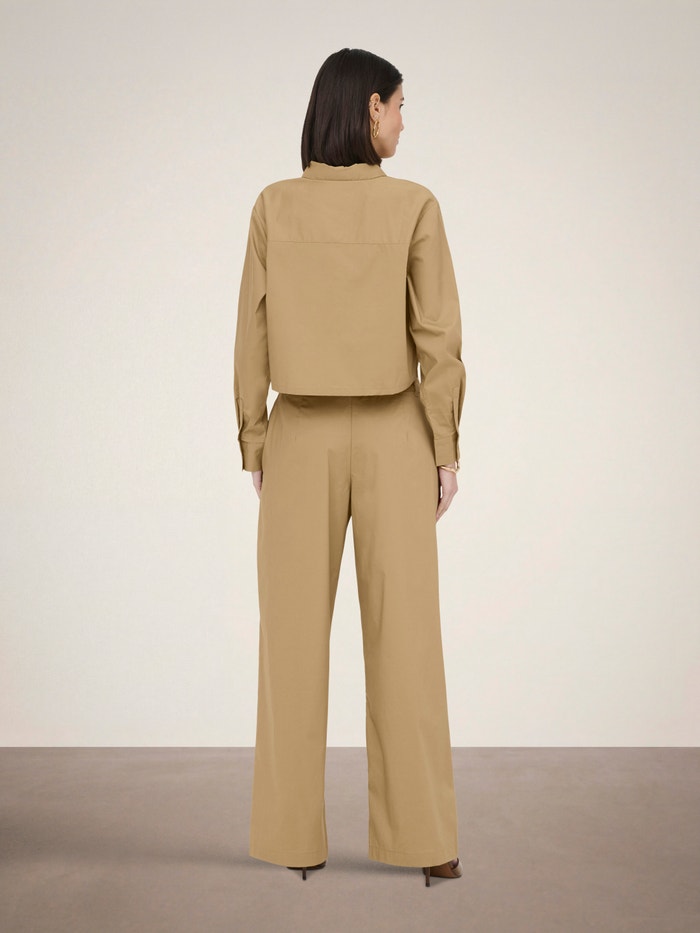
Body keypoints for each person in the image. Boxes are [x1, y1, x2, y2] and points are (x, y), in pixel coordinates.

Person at [233, 48, 466, 888]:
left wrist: (255, 438)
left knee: (290, 641)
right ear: (370, 108)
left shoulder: (274, 206)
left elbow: (252, 331)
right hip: (395, 432)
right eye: (400, 106)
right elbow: (437, 336)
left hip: (299, 434)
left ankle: (293, 838)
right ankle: (428, 840)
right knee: (408, 640)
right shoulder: (414, 206)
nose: (403, 122)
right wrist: (444, 446)